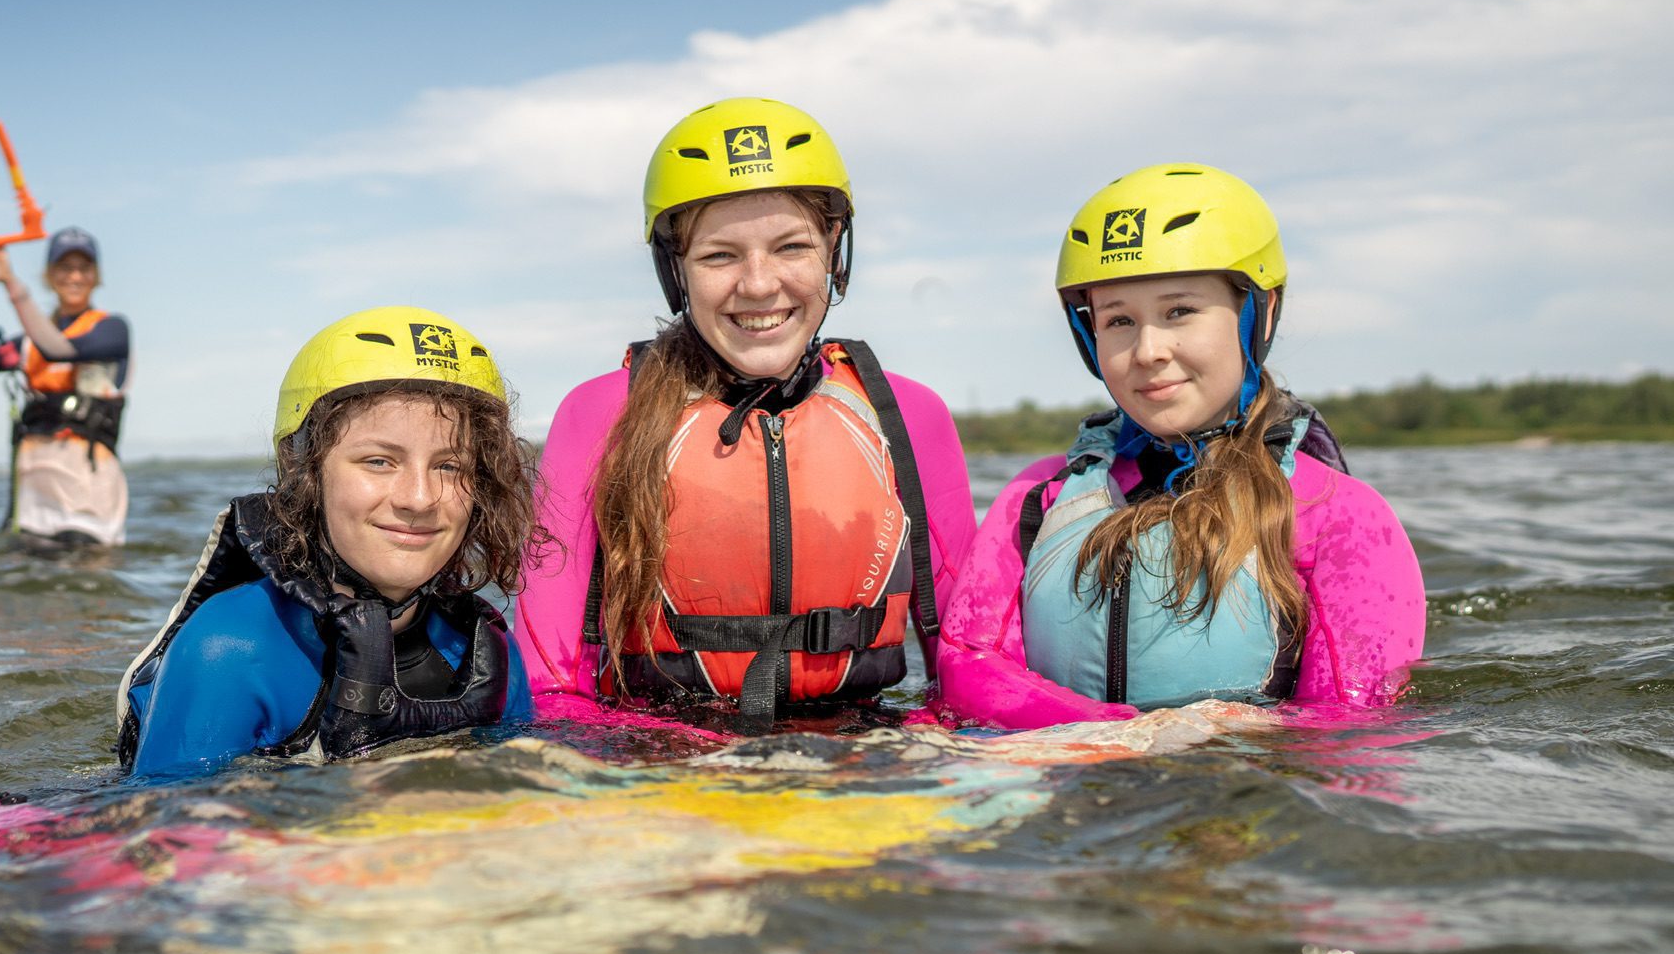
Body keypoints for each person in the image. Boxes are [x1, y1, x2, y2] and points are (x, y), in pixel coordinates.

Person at [516, 97, 977, 725]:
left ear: (833, 249)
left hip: (861, 752)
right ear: (675, 270)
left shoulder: (908, 415)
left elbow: (966, 666)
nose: (759, 284)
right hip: (660, 755)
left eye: (791, 247)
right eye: (719, 255)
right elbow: (548, 686)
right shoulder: (600, 414)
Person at [935, 163, 1426, 729]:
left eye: (1179, 312)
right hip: (1068, 767)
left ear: (1258, 312)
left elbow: (1352, 726)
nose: (1148, 351)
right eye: (1119, 320)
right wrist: (1119, 736)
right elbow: (967, 666)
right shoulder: (1036, 499)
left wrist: (1172, 740)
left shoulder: (1339, 515)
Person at [115, 306, 537, 776]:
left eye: (450, 466)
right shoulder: (229, 649)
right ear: (304, 470)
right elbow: (170, 819)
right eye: (379, 461)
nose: (420, 498)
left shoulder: (487, 650)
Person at [0, 226, 130, 545]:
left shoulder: (112, 330)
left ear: (96, 276)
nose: (74, 276)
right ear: (49, 275)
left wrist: (11, 283)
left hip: (87, 487)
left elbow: (58, 350)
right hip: (34, 493)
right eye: (64, 267)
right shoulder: (27, 345)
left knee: (83, 564)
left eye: (84, 268)